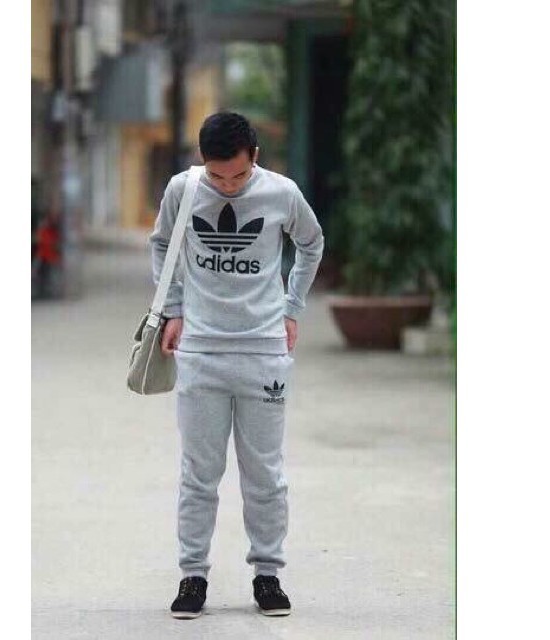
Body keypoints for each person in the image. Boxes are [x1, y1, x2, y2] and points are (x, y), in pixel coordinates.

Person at [148, 112, 324, 619]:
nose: (227, 186)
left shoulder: (282, 193)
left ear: (256, 158)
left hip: (263, 350)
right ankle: (193, 576)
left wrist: (292, 307)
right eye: (217, 175)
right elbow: (161, 243)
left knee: (264, 474)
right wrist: (173, 308)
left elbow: (311, 243)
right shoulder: (183, 189)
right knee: (199, 474)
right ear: (202, 161)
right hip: (201, 351)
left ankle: (268, 574)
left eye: (239, 175)